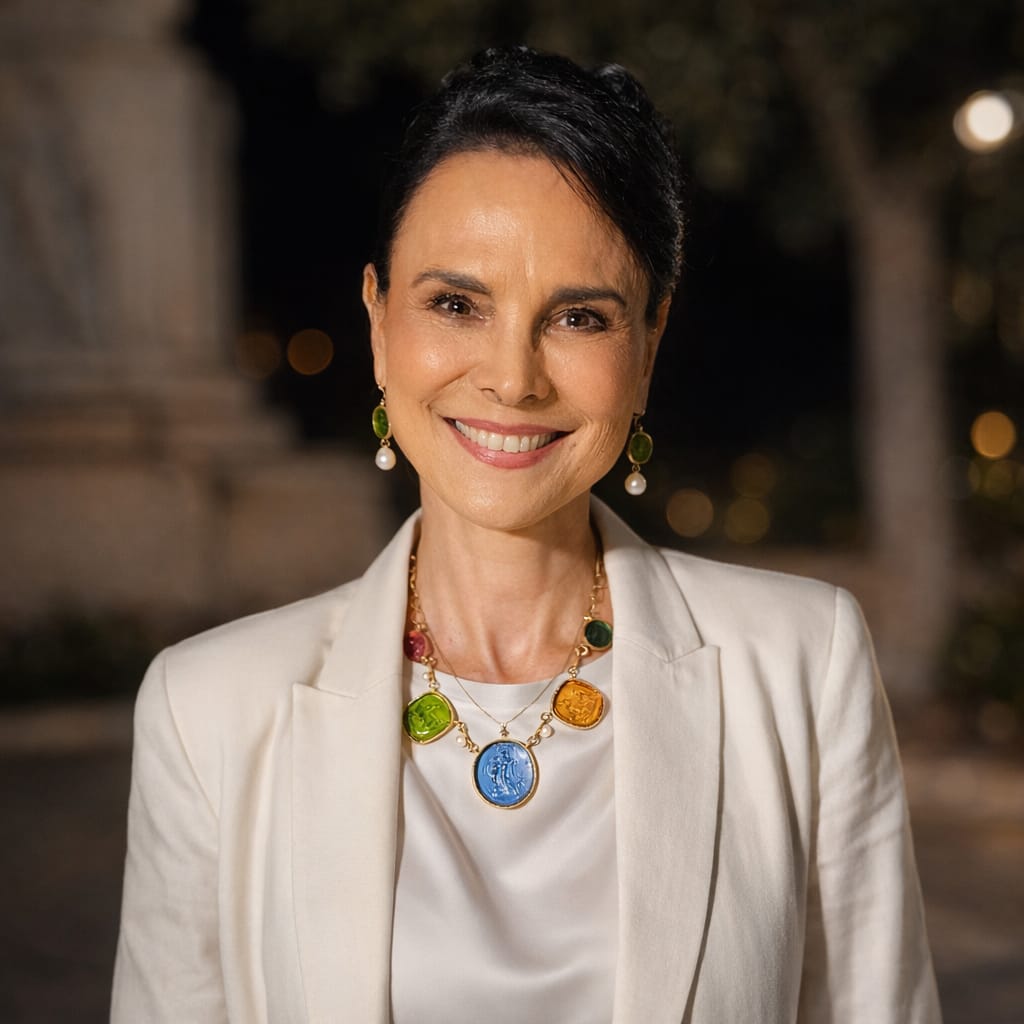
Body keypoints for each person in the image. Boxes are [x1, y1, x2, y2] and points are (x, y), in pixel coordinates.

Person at [111, 45, 941, 1024]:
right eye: (456, 304)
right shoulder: (207, 709)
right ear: (378, 323)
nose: (512, 377)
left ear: (648, 344)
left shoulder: (802, 664)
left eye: (578, 317)